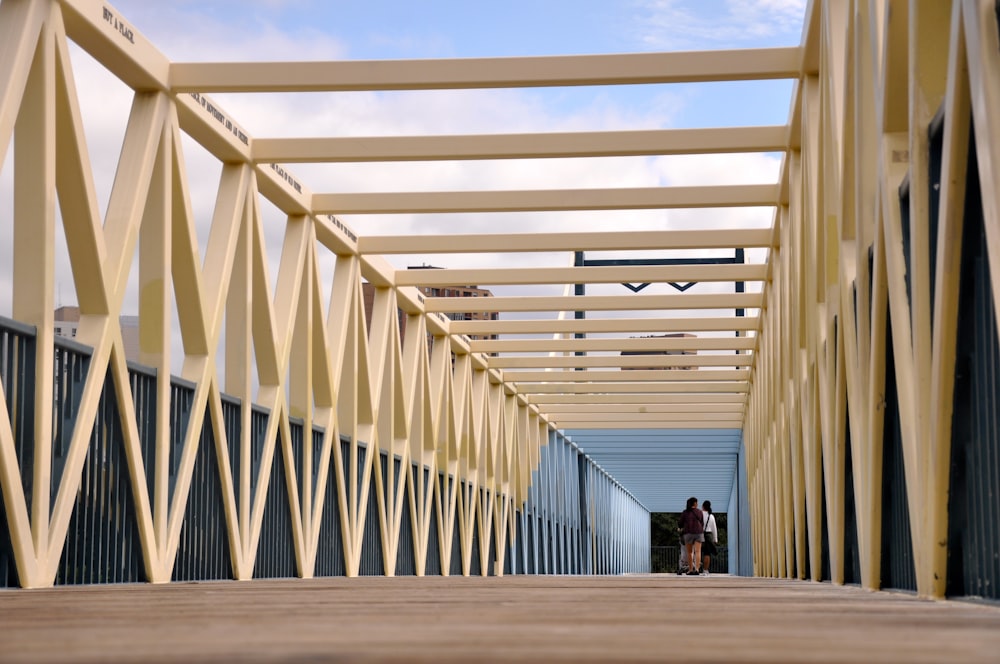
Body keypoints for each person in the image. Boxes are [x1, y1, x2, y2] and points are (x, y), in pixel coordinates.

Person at [678, 496, 704, 575]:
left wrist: (680, 528)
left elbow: (680, 523)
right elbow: (702, 522)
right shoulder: (699, 512)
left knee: (689, 552)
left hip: (688, 533)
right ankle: (697, 569)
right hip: (698, 532)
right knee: (698, 551)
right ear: (695, 503)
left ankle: (690, 570)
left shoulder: (685, 512)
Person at [701, 500, 718, 575]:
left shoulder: (700, 514)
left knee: (697, 552)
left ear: (703, 506)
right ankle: (705, 570)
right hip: (708, 535)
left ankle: (696, 568)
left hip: (700, 534)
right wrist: (715, 538)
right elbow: (714, 528)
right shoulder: (711, 516)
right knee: (707, 553)